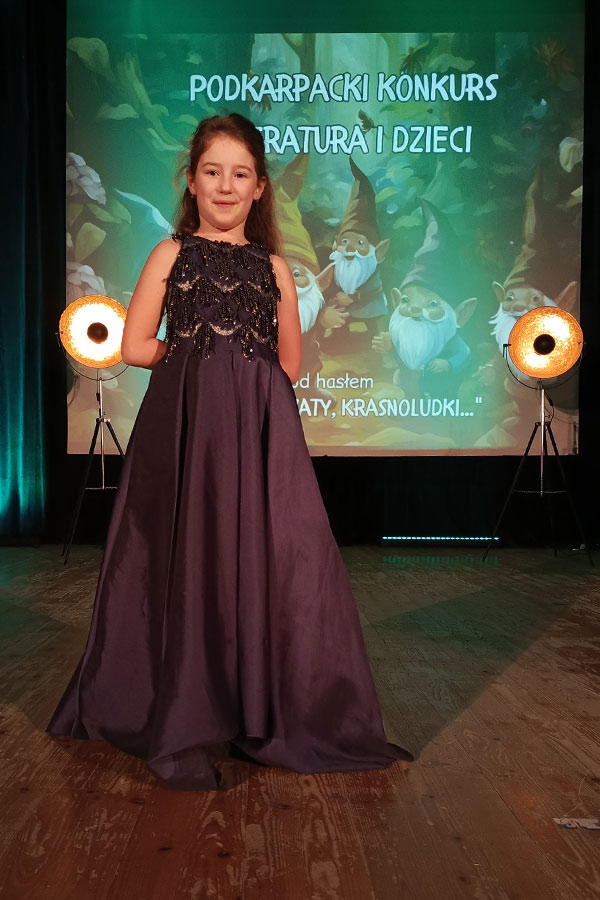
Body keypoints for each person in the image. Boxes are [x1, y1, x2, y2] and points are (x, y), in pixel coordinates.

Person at [47, 113, 413, 791]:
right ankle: (184, 711)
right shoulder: (169, 253)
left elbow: (290, 365)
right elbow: (134, 347)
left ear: (260, 187)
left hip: (258, 429)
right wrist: (198, 361)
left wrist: (234, 377)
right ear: (191, 181)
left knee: (275, 555)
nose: (225, 185)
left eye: (239, 174)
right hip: (185, 428)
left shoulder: (276, 268)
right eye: (212, 172)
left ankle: (258, 707)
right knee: (187, 551)